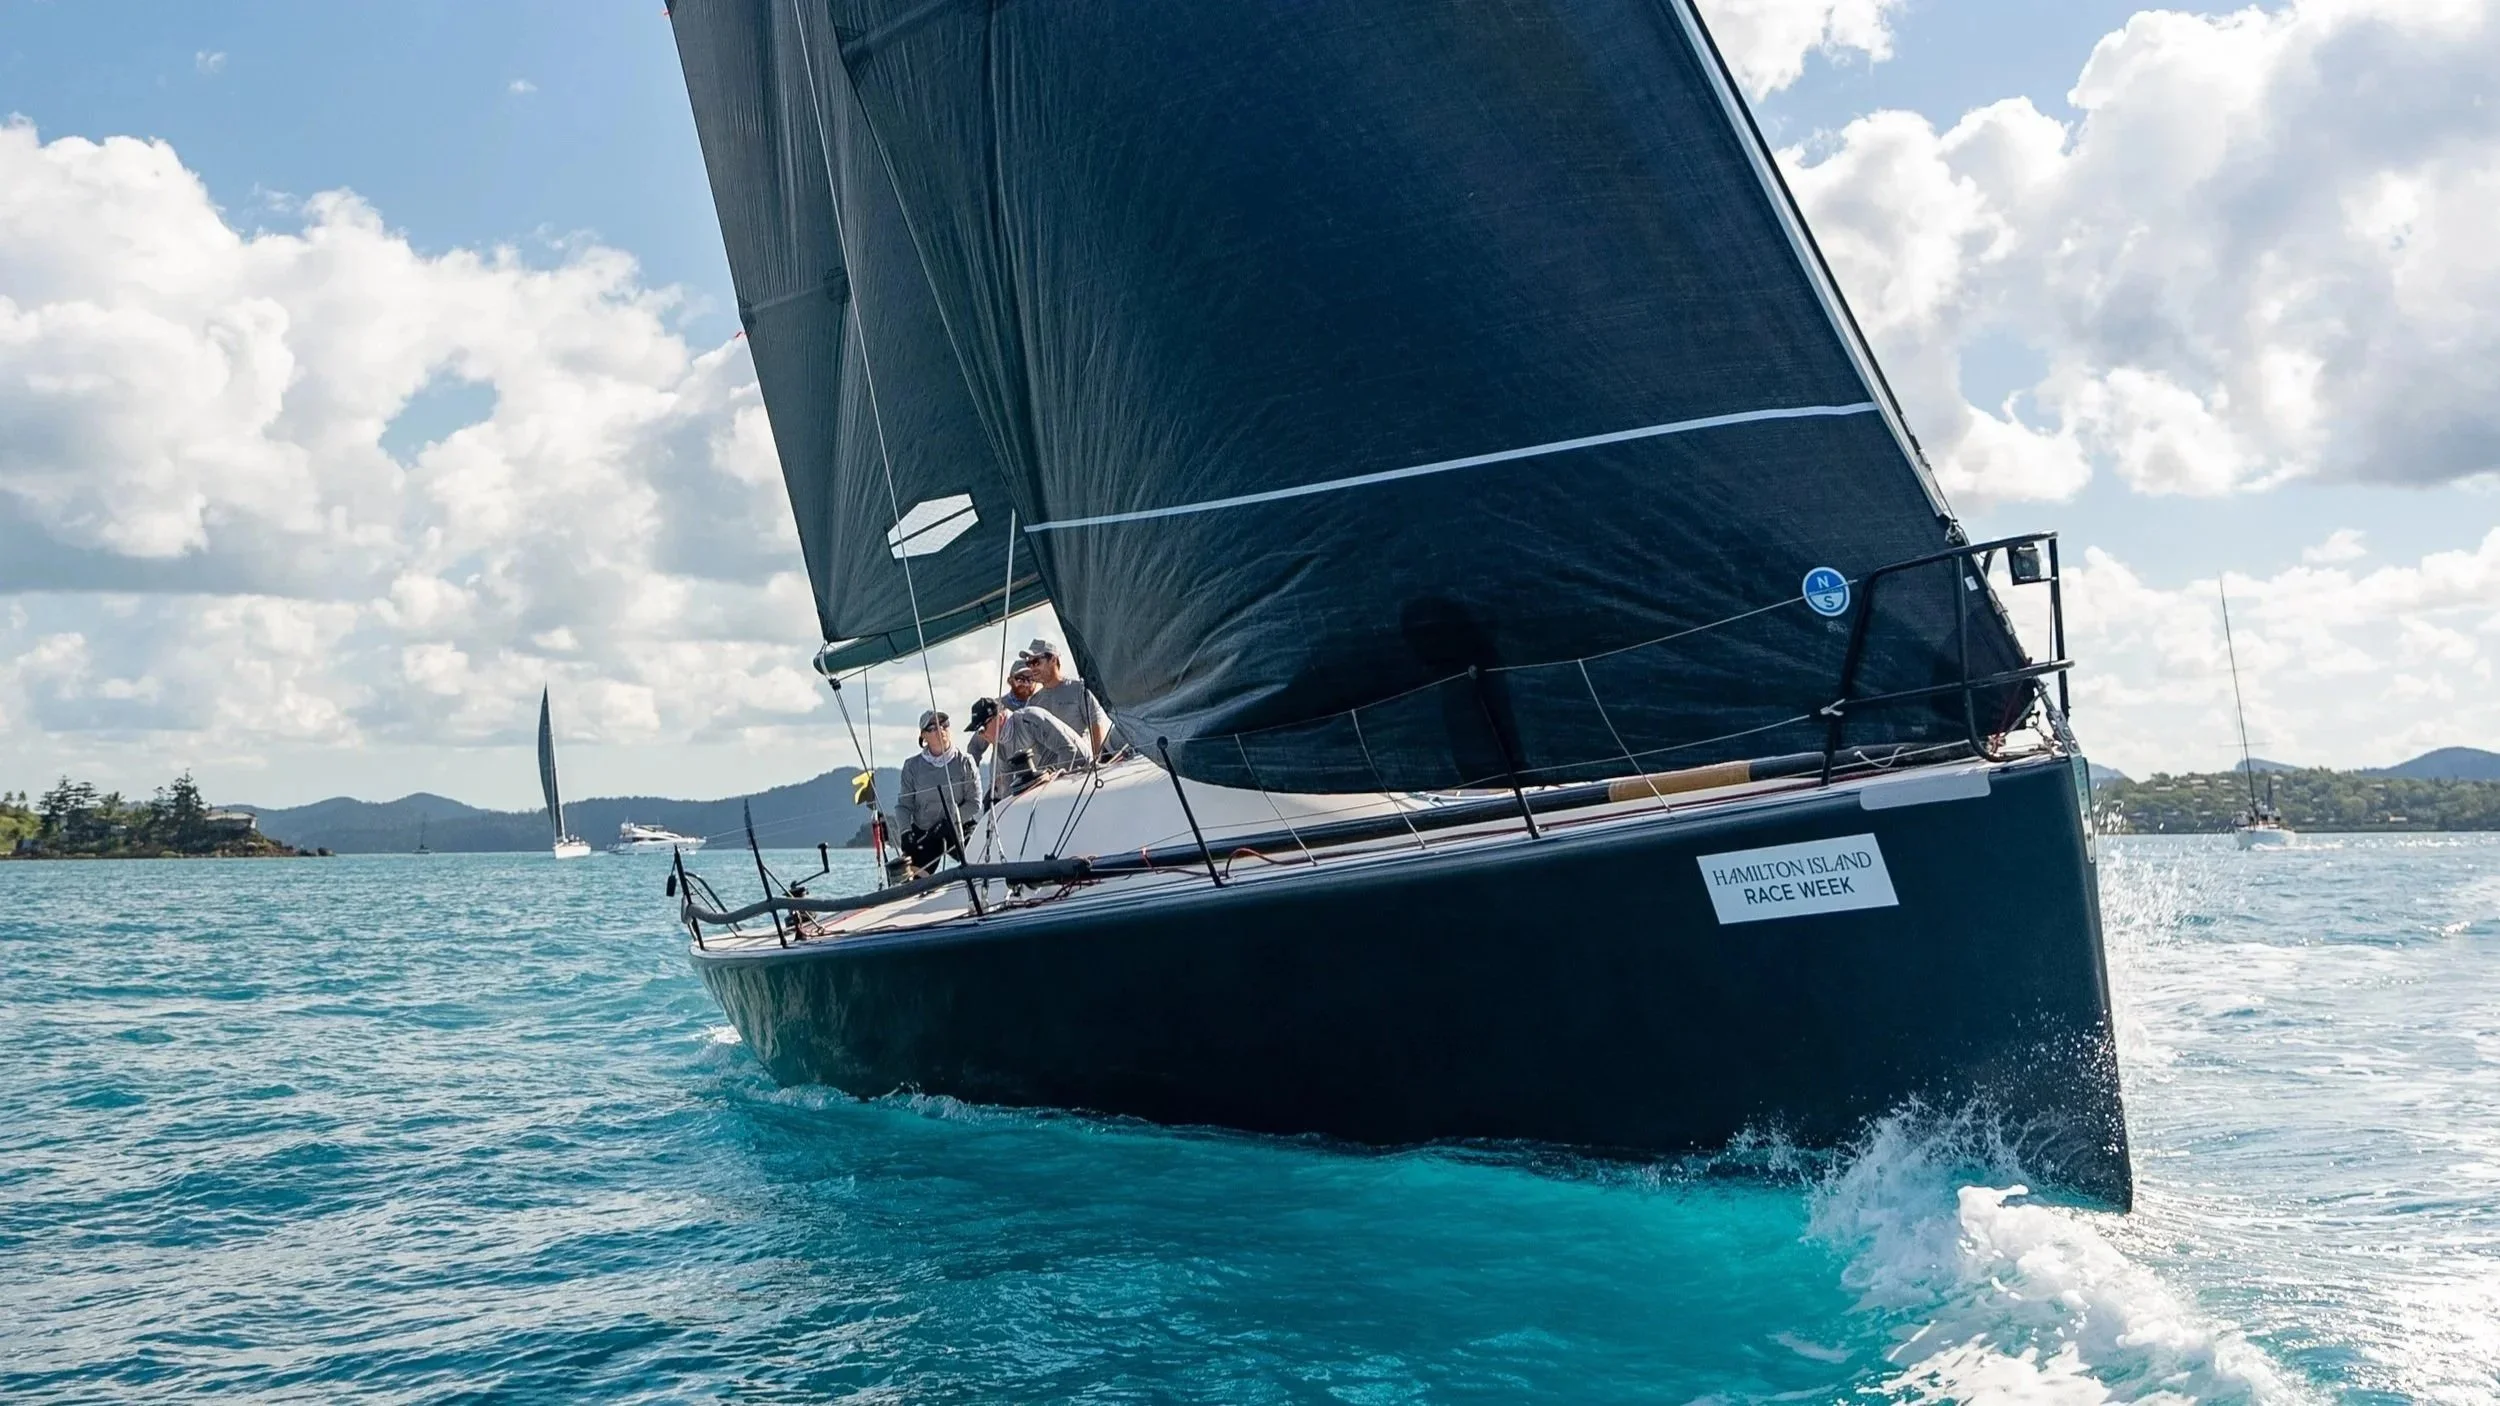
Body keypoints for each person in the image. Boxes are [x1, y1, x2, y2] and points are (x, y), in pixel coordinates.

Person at [894, 708, 979, 871]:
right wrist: (905, 832)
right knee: (911, 878)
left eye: (944, 724)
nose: (940, 730)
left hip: (959, 826)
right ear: (923, 736)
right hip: (926, 831)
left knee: (982, 859)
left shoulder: (965, 761)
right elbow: (903, 806)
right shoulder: (911, 766)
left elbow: (974, 803)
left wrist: (949, 822)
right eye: (932, 728)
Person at [969, 694, 1088, 805]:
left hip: (1083, 773)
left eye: (981, 729)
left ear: (999, 719)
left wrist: (1056, 786)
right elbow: (1006, 789)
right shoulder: (1001, 748)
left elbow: (1068, 749)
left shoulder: (1029, 719)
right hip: (1050, 787)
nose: (981, 735)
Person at [1021, 638, 1108, 758]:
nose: (1032, 668)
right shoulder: (1032, 702)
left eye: (1036, 662)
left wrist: (1098, 759)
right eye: (1029, 664)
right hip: (1050, 770)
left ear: (1053, 659)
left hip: (1080, 765)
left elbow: (1096, 723)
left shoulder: (1079, 689)